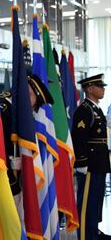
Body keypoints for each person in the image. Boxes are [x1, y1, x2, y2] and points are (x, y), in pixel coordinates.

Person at [0, 74, 54, 222]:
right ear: (29, 94)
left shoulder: (12, 108)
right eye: (34, 105)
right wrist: (12, 178)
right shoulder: (5, 110)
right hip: (2, 180)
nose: (33, 110)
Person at [72, 73, 111, 240]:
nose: (103, 89)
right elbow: (79, 138)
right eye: (100, 86)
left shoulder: (96, 109)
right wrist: (81, 162)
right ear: (90, 88)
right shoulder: (84, 110)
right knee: (87, 204)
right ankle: (85, 236)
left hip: (99, 164)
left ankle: (93, 232)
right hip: (89, 165)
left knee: (95, 203)